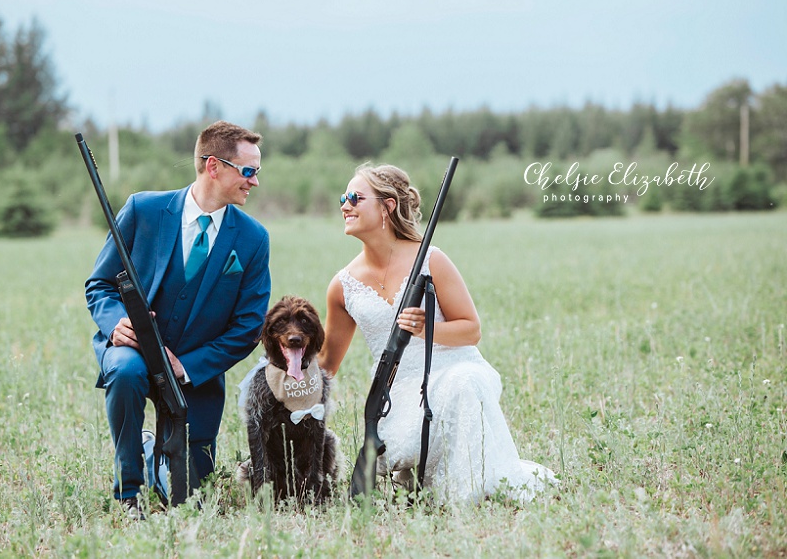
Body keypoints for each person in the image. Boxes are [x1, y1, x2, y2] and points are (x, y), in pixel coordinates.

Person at [319, 163, 557, 504]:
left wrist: (427, 329)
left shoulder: (431, 260)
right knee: (410, 449)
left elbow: (471, 329)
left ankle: (466, 499)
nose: (345, 205)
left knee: (463, 384)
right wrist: (285, 366)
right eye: (343, 197)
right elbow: (327, 363)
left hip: (454, 368)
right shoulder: (342, 285)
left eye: (355, 197)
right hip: (396, 392)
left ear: (387, 206)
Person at [85, 121, 271, 517]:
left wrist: (186, 366)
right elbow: (99, 284)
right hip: (132, 351)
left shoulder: (254, 239)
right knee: (125, 371)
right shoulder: (143, 210)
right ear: (213, 166)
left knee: (190, 498)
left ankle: (155, 456)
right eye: (249, 171)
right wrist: (115, 321)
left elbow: (248, 328)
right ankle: (129, 493)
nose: (255, 182)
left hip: (196, 374)